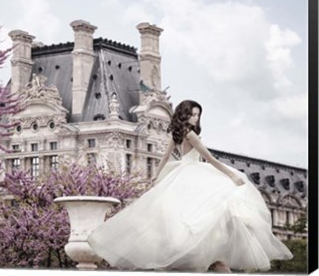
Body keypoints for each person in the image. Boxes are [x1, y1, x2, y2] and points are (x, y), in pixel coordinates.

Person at [87, 100, 293, 273]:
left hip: (179, 173)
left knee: (186, 218)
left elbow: (166, 156)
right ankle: (214, 256)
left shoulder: (176, 134)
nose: (196, 118)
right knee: (215, 210)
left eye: (198, 115)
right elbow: (210, 159)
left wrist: (155, 178)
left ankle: (200, 257)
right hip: (194, 171)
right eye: (194, 114)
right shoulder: (191, 135)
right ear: (186, 115)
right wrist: (231, 174)